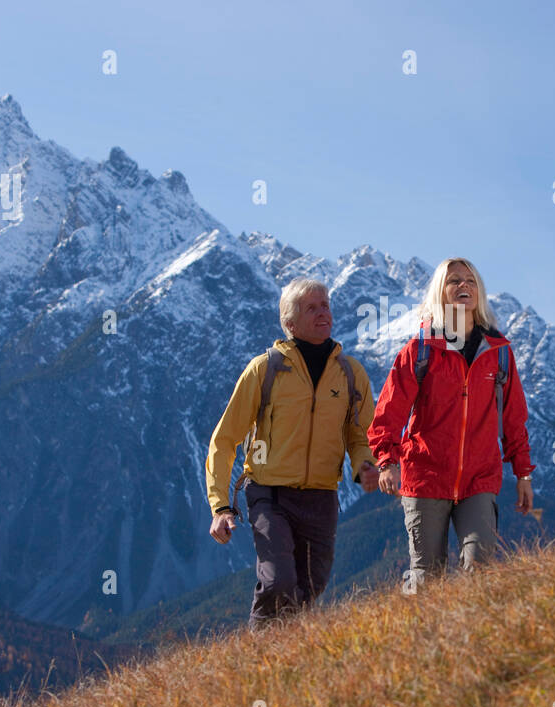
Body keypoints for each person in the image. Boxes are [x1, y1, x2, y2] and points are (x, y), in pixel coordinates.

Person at [206, 278, 380, 628]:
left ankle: (282, 663)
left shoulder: (350, 374)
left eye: (325, 305)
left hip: (322, 498)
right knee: (278, 581)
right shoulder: (264, 369)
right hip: (270, 495)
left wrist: (365, 465)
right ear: (290, 323)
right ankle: (256, 661)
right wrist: (221, 507)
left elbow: (361, 434)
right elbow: (224, 439)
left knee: (308, 589)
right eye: (311, 308)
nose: (323, 313)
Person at [367, 257, 534, 583]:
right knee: (427, 577)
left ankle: (471, 635)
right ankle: (418, 634)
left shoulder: (499, 352)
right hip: (425, 478)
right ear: (440, 293)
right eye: (454, 281)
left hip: (479, 479)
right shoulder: (420, 350)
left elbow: (514, 417)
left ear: (479, 293)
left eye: (470, 281)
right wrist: (386, 460)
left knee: (480, 567)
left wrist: (523, 474)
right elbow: (389, 412)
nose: (464, 287)